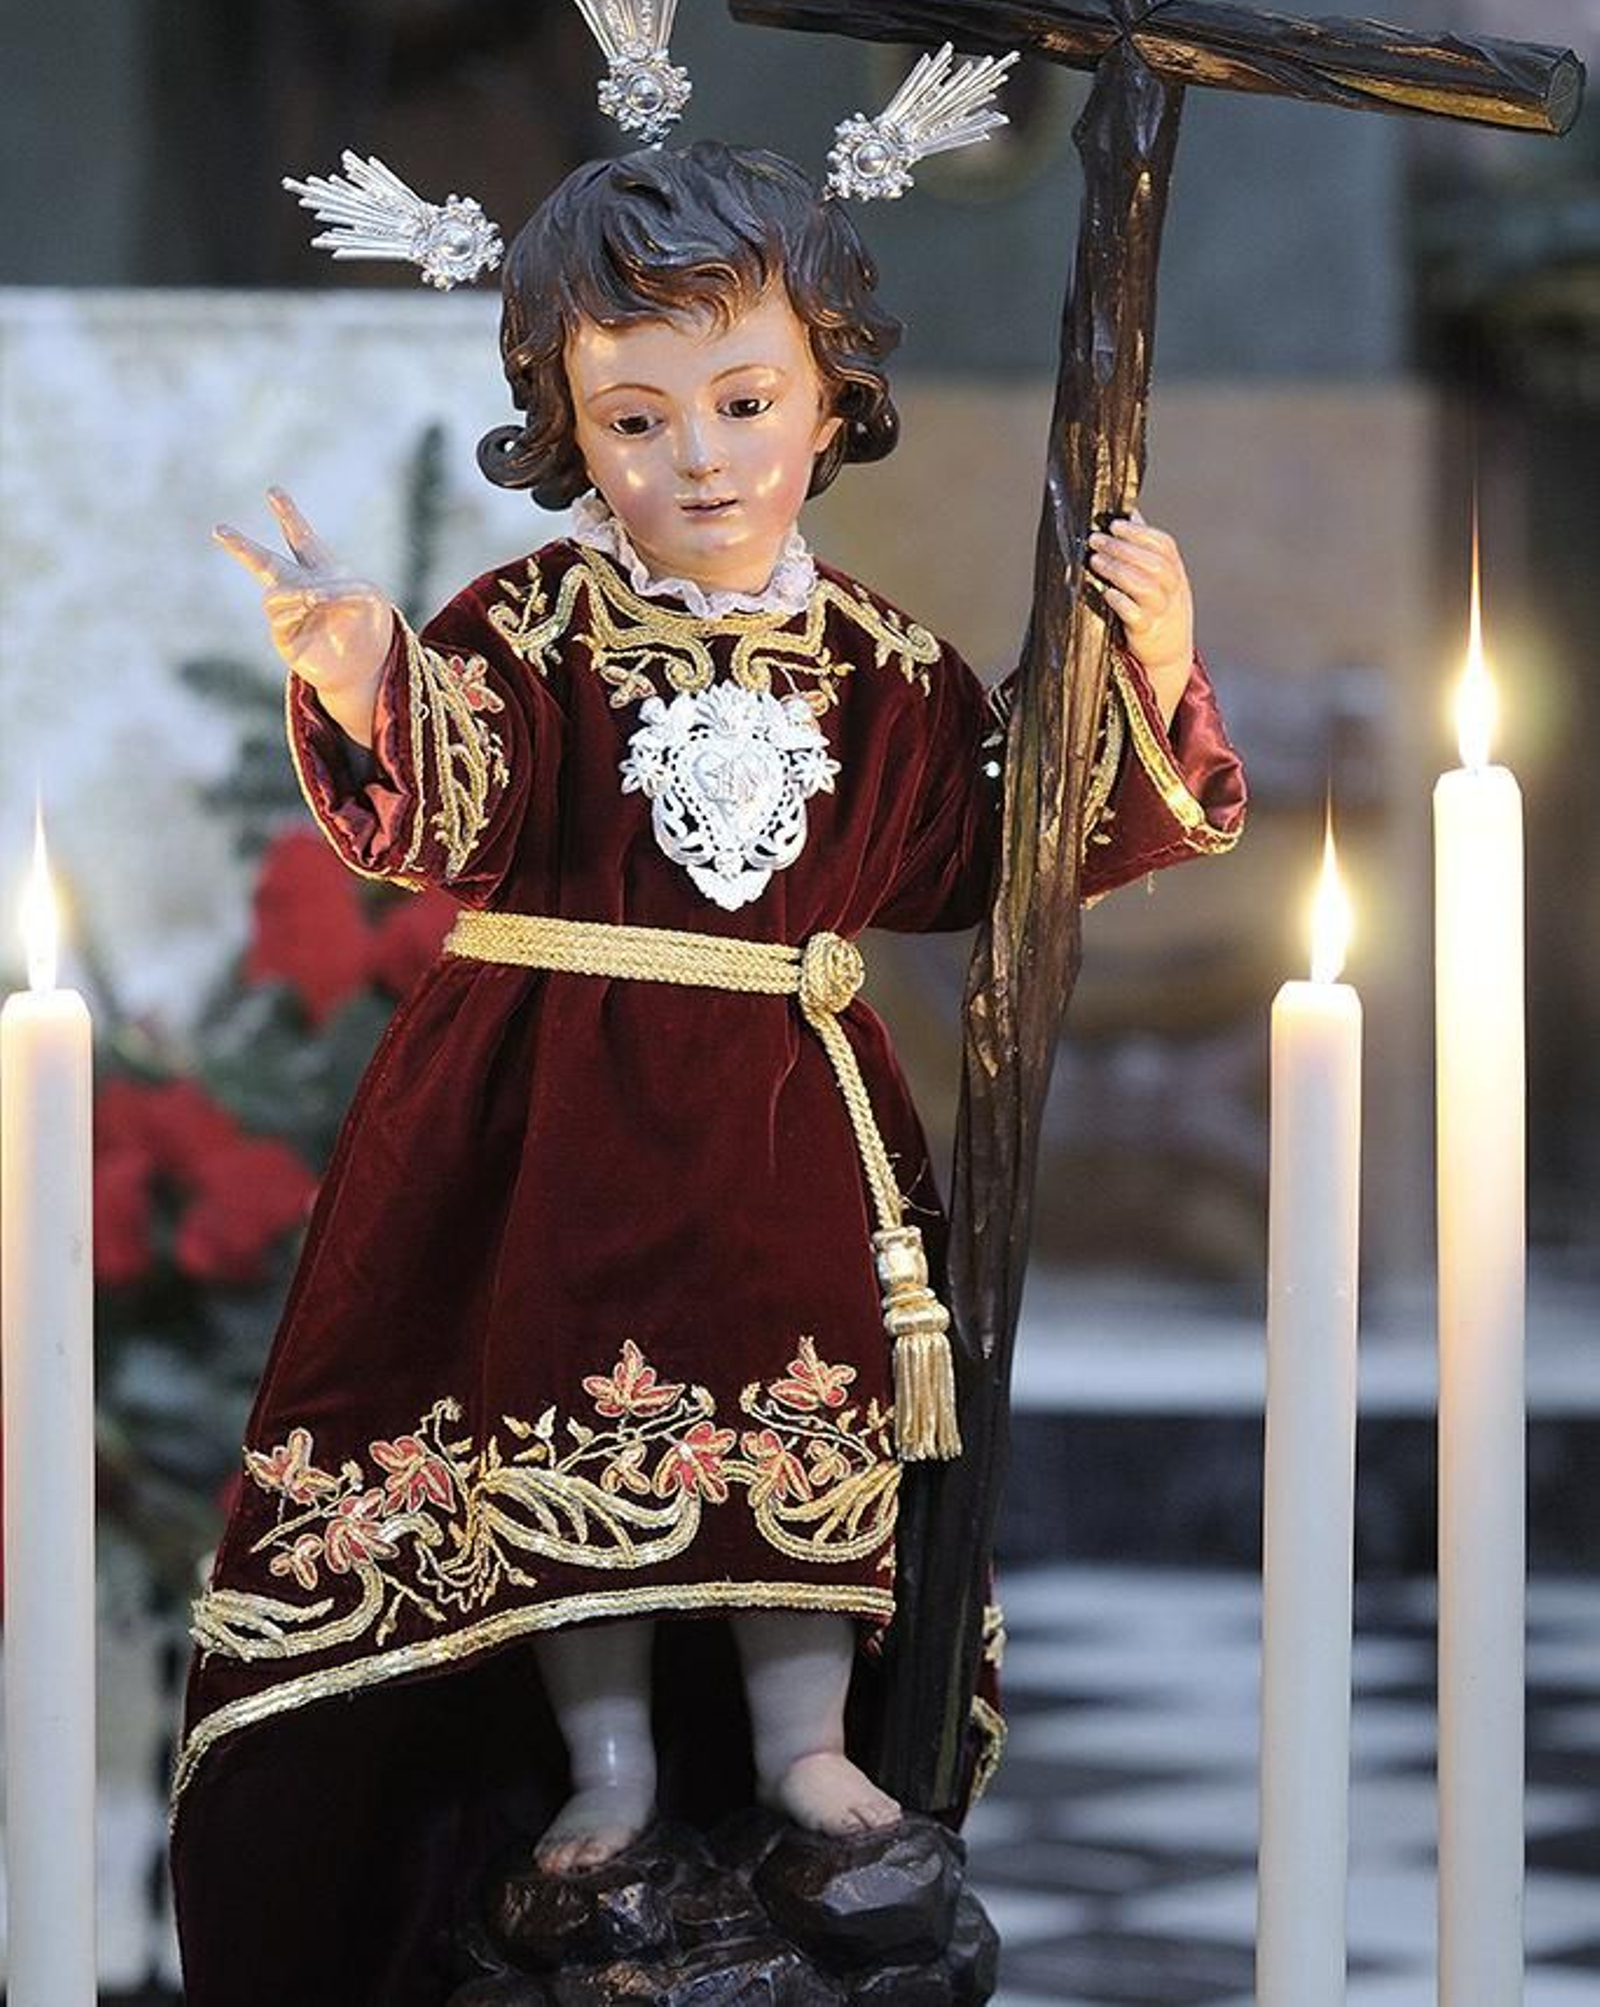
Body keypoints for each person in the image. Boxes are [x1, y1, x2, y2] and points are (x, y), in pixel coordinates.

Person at [172, 140, 1244, 2003]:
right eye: (637, 416)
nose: (701, 457)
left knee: (800, 1443)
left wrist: (1143, 666)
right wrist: (363, 672)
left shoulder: (887, 665)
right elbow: (459, 791)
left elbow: (1003, 843)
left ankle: (802, 1742)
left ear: (831, 397)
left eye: (745, 400)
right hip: (544, 1122)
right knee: (564, 1443)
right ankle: (603, 1769)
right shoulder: (536, 630)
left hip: (787, 1131)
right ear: (565, 428)